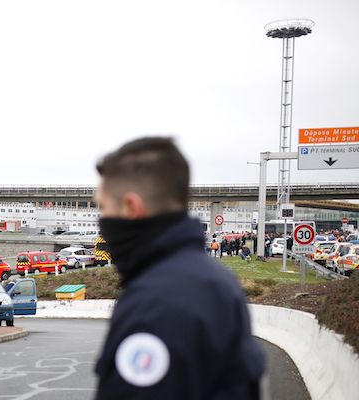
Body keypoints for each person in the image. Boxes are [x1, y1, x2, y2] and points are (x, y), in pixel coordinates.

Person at [93, 137, 265, 399]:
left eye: (103, 207)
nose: (102, 220)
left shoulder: (156, 303)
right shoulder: (216, 279)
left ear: (131, 207)